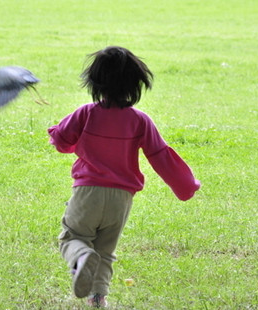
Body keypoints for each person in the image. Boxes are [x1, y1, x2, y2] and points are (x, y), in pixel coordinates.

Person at [47, 46, 200, 308]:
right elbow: (161, 156)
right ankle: (98, 299)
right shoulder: (140, 121)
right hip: (121, 199)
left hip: (88, 192)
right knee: (105, 252)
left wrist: (56, 133)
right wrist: (186, 186)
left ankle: (81, 257)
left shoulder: (86, 113)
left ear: (94, 82)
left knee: (73, 238)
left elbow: (62, 142)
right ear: (135, 84)